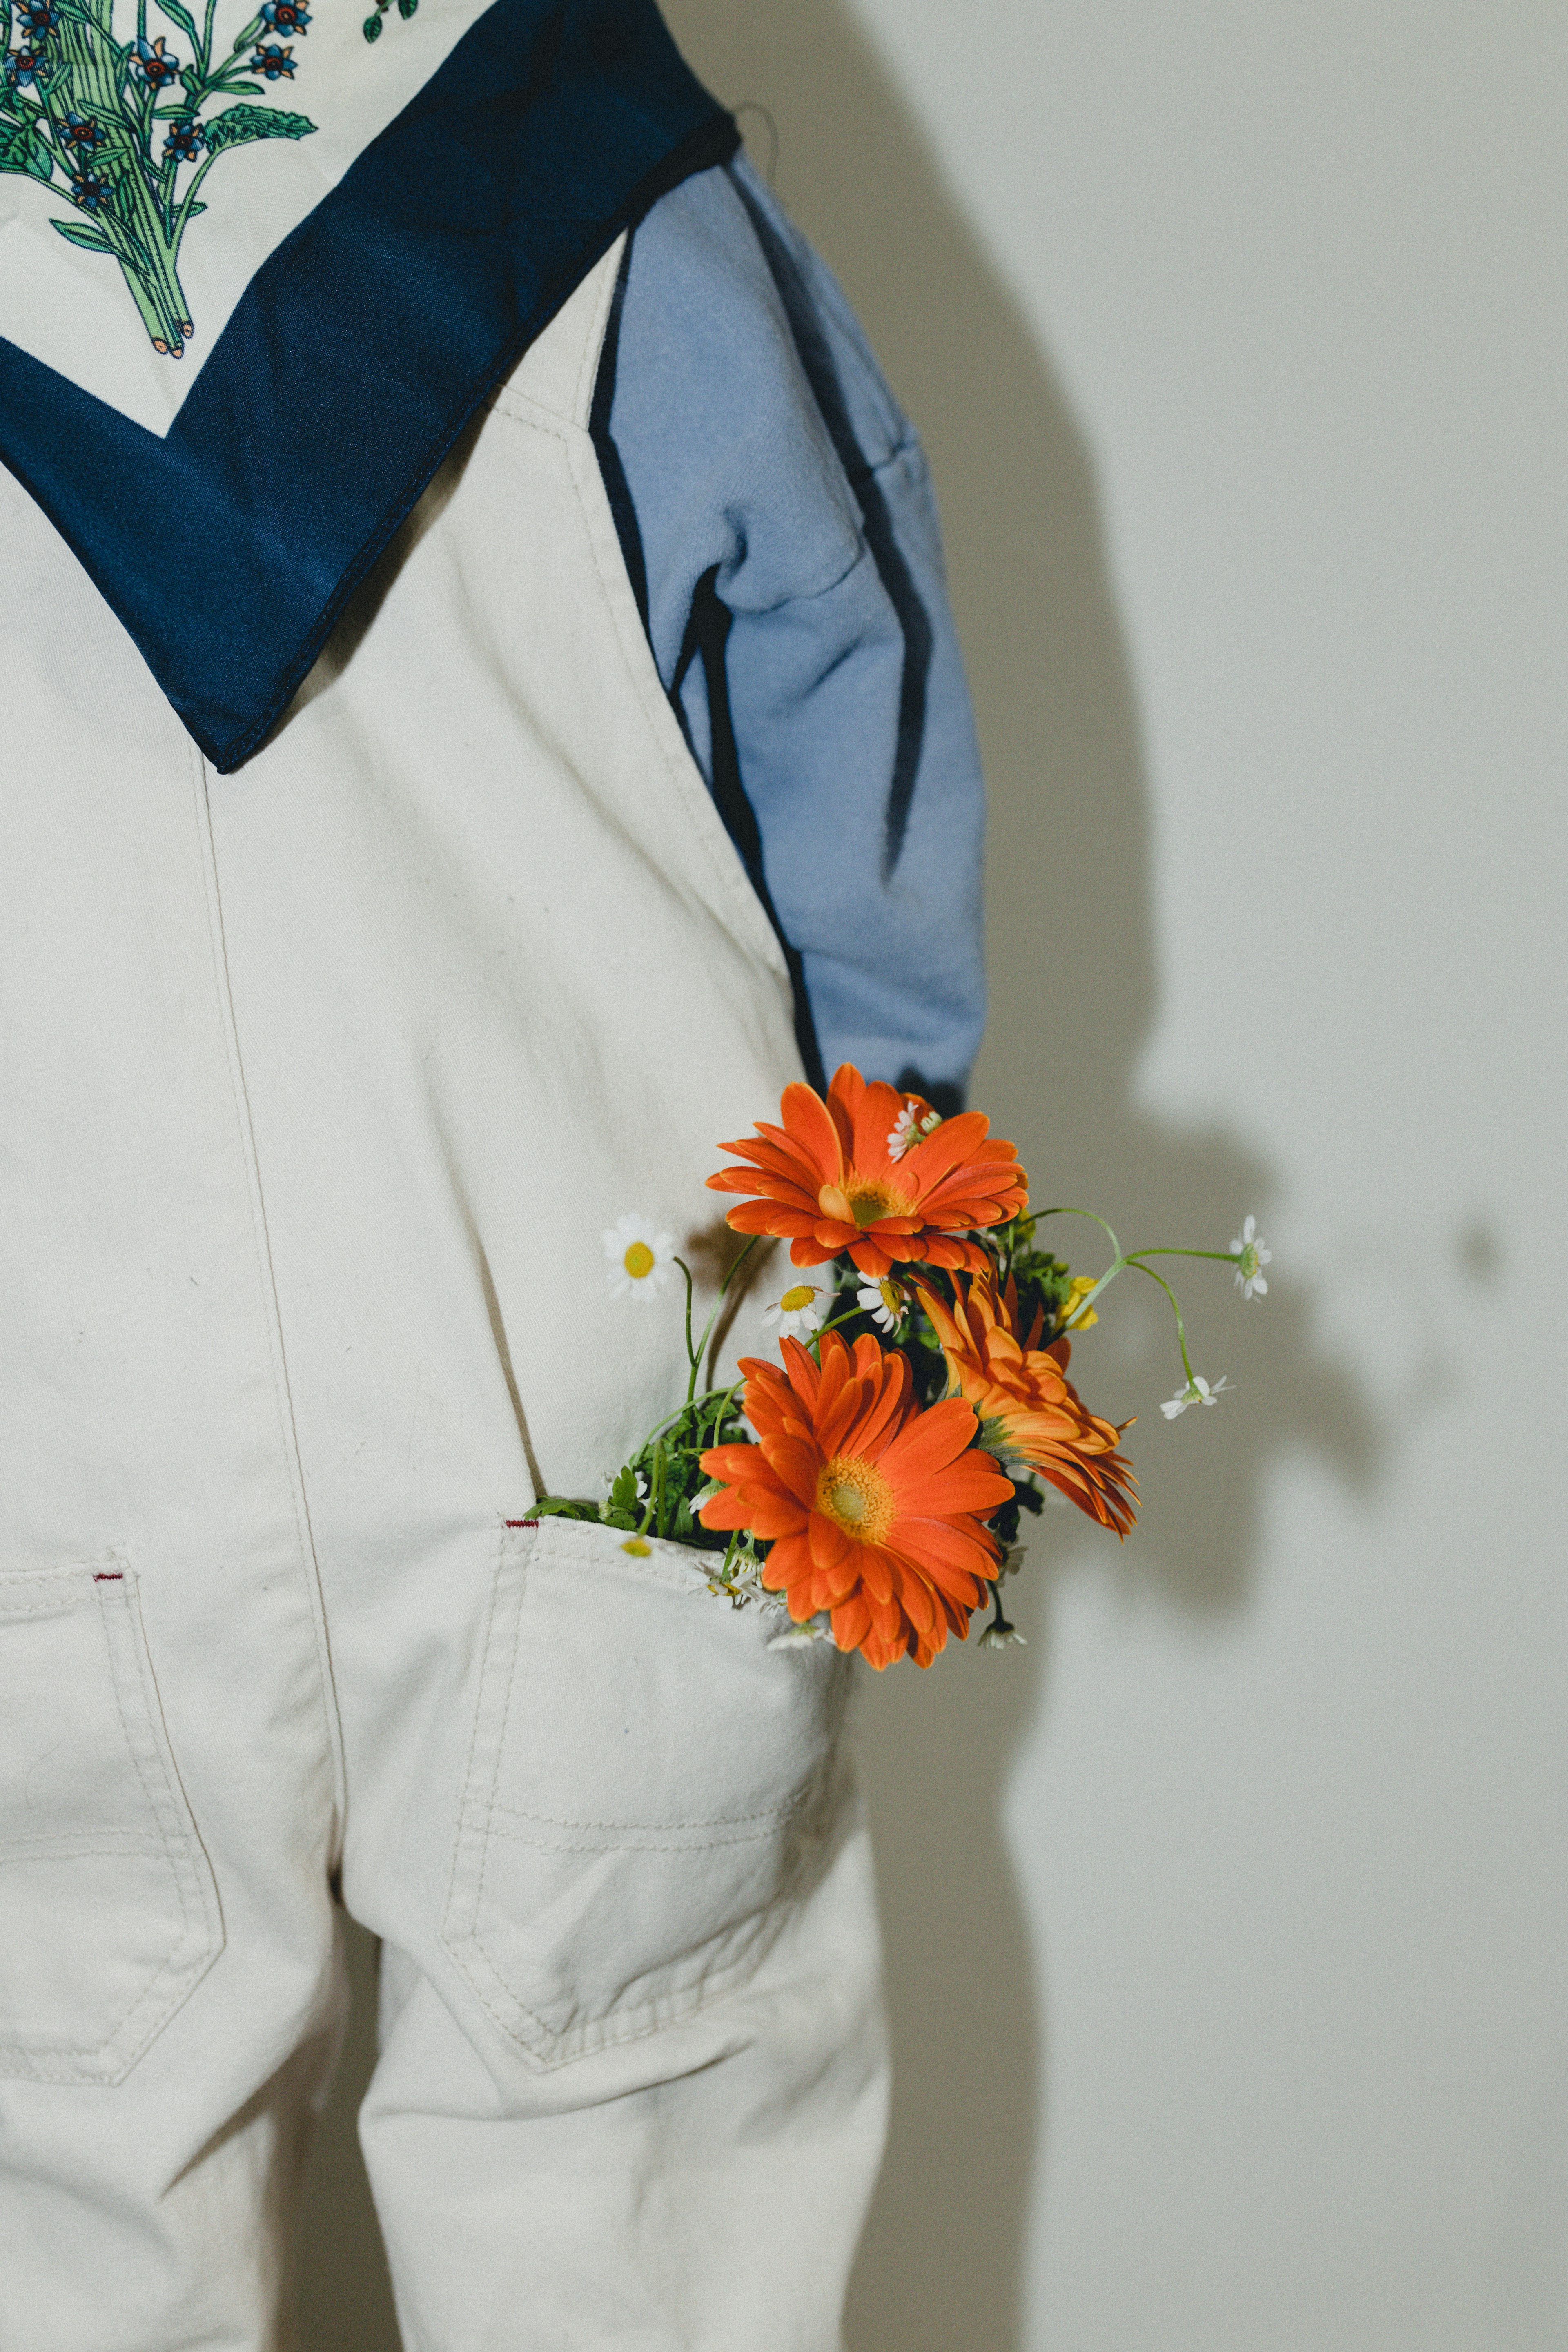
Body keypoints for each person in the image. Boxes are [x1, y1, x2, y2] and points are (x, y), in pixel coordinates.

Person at [0, 3, 985, 2343]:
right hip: (591, 1409)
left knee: (59, 2232)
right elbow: (851, 695)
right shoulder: (600, 170)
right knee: (644, 2222)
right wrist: (894, 1268)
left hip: (51, 1441)